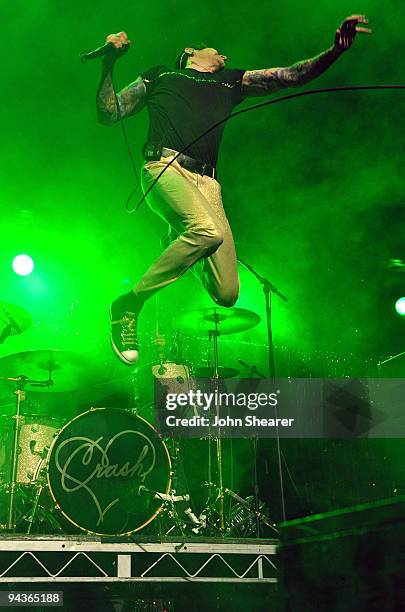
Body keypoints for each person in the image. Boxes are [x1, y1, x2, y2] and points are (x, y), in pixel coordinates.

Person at [96, 15, 371, 365]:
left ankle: (177, 239)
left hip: (208, 185)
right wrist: (108, 63)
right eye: (217, 51)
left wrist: (335, 51)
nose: (224, 56)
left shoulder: (231, 81)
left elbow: (290, 75)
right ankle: (129, 305)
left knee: (227, 293)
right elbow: (109, 112)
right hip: (165, 168)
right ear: (190, 53)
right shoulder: (161, 74)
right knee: (206, 232)